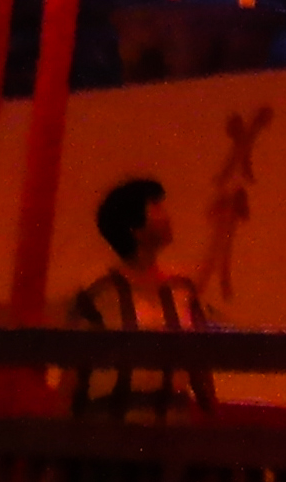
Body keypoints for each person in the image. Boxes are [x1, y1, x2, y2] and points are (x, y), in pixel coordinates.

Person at [63, 175, 215, 421]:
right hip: (111, 429)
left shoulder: (181, 289)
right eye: (156, 207)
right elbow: (74, 371)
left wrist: (211, 419)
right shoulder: (100, 292)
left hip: (171, 429)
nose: (167, 216)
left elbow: (199, 365)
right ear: (133, 226)